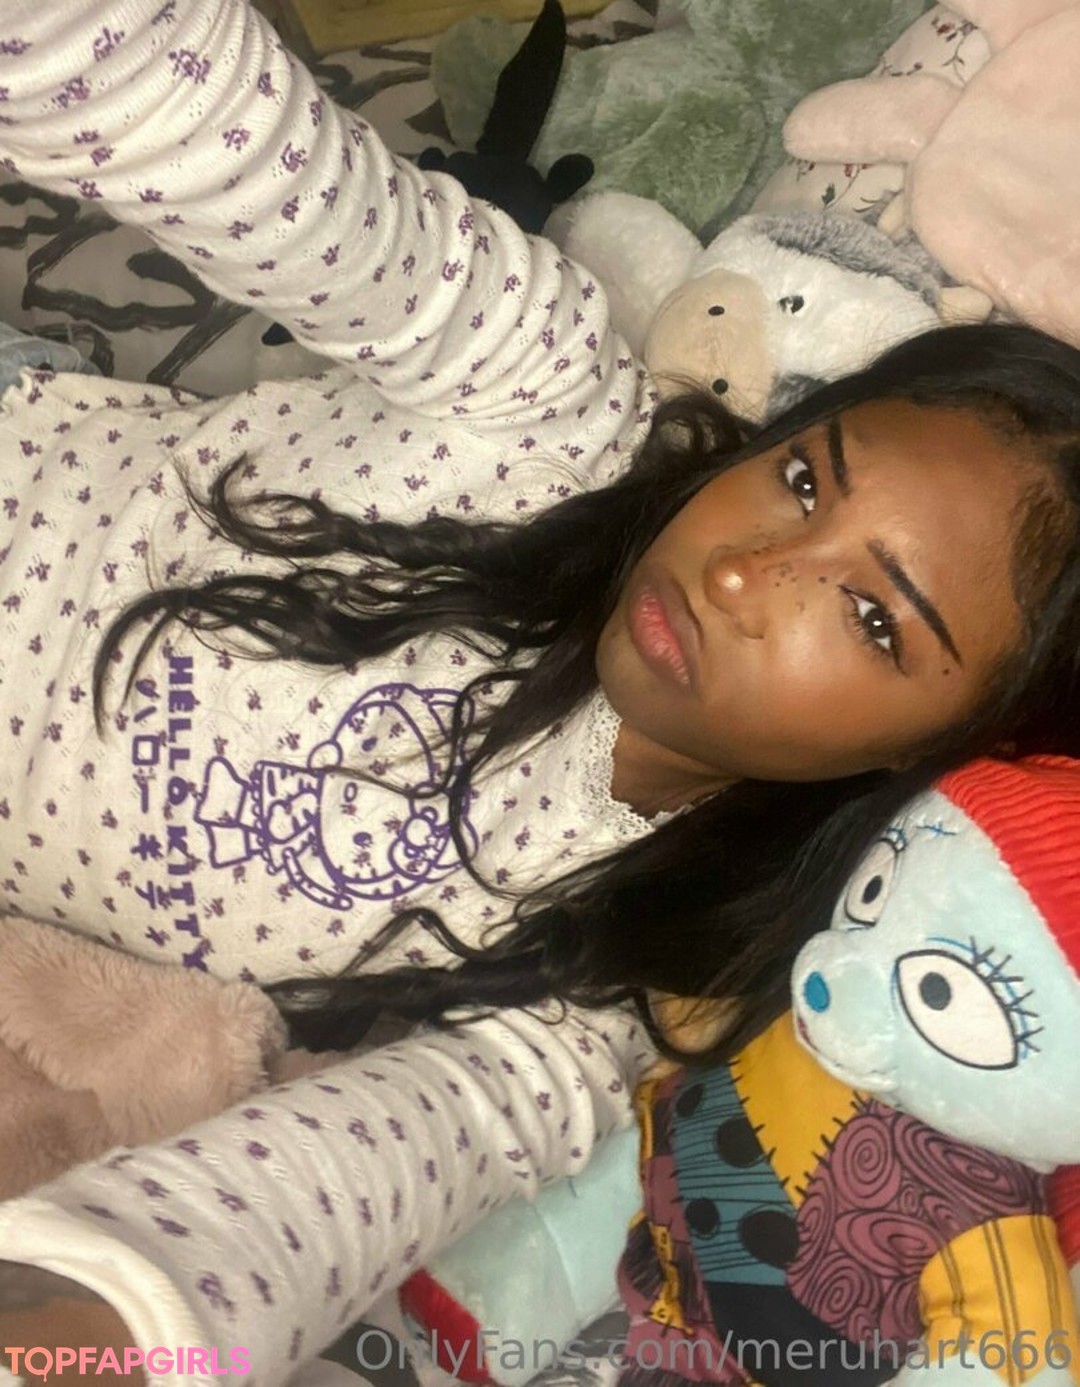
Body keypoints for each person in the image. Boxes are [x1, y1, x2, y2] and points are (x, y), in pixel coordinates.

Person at [0, 0, 1079, 1380]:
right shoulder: (542, 396)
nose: (744, 570)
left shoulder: (615, 982)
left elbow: (341, 1178)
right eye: (806, 478)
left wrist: (105, 1325)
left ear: (943, 755)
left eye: (873, 617)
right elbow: (205, 124)